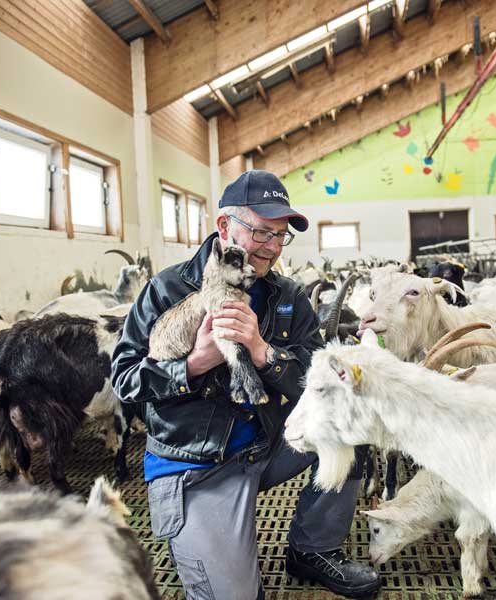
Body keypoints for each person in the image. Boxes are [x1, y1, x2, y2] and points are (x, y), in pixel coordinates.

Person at [111, 170, 380, 599]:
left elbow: (320, 376)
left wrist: (262, 352)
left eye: (280, 236)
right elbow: (124, 381)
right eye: (261, 232)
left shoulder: (285, 296)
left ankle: (313, 548)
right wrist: (194, 364)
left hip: (267, 443)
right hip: (197, 467)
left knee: (353, 421)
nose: (272, 247)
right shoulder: (166, 289)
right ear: (224, 227)